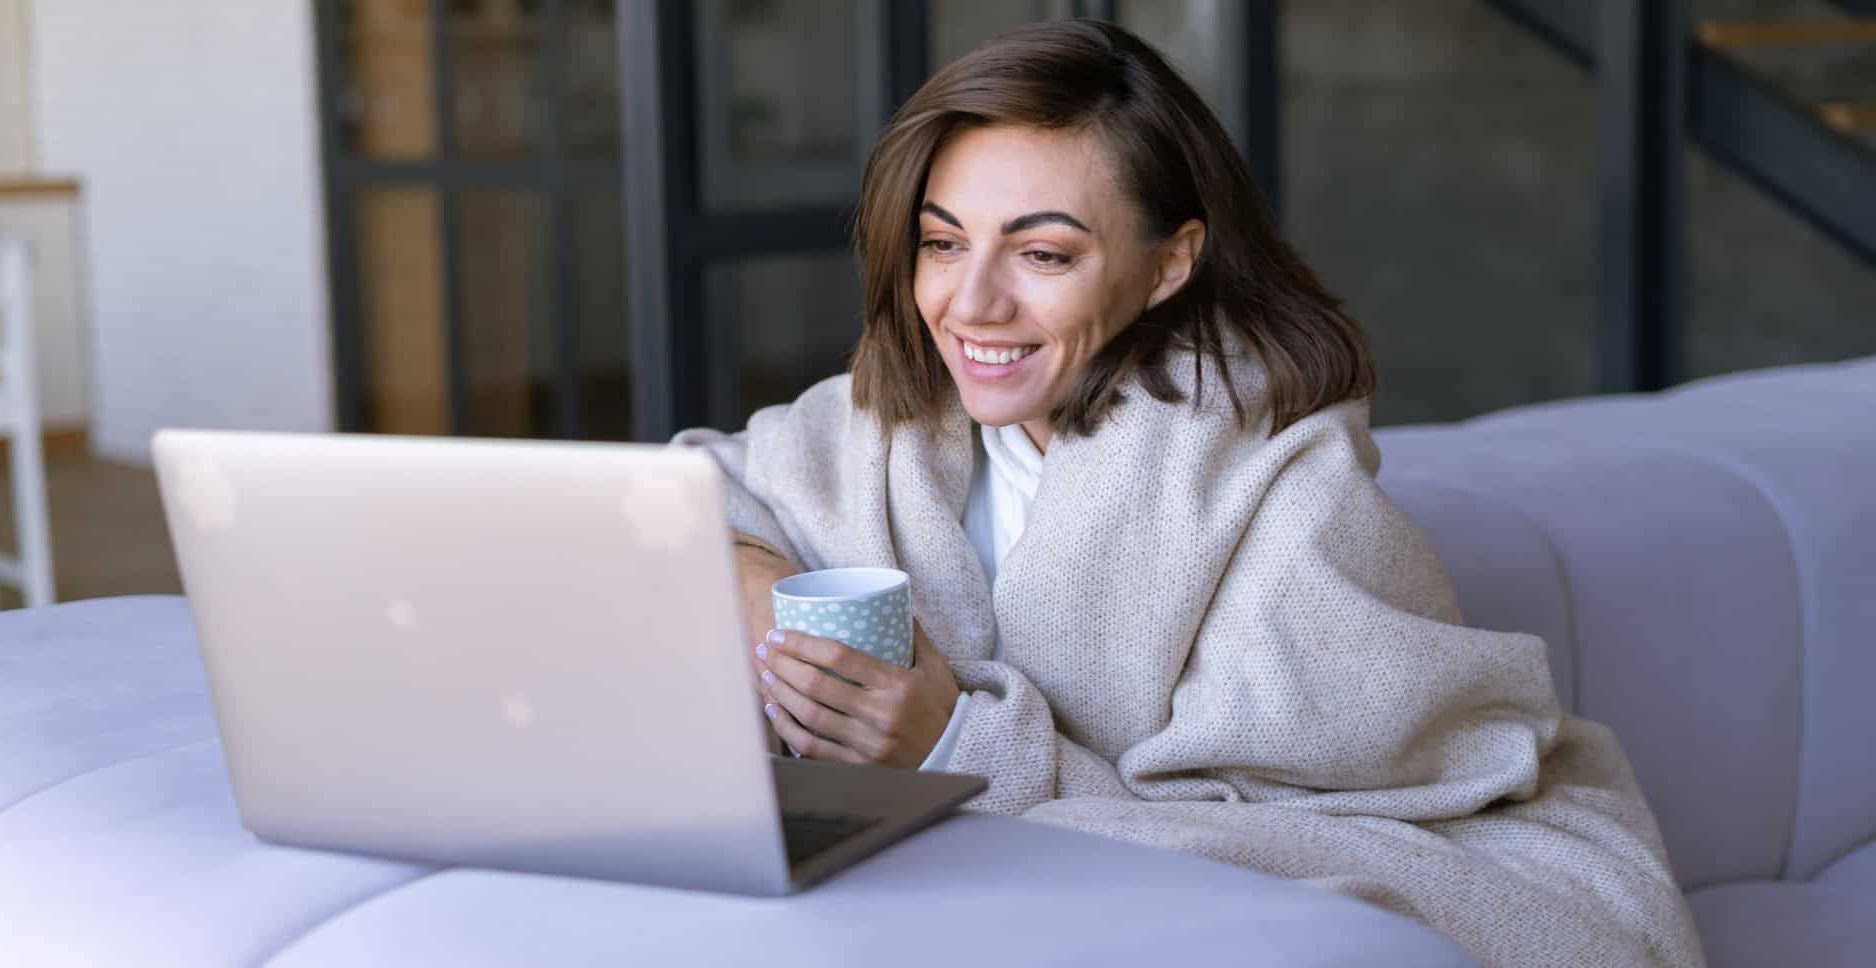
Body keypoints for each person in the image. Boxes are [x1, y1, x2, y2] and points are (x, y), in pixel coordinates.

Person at [674, 18, 1702, 968]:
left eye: (1040, 253)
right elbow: (686, 497)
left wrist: (958, 744)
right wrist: (759, 584)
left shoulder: (1290, 493)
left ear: (1168, 264)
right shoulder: (885, 422)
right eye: (942, 242)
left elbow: (1290, 836)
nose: (969, 301)